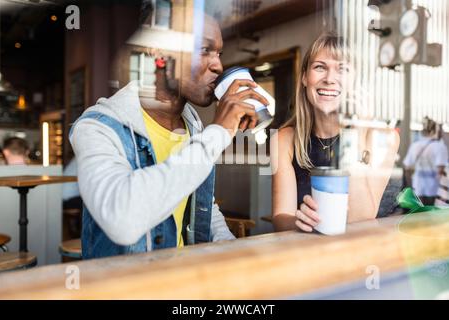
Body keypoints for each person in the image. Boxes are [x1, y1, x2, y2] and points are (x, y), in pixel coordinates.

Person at [70, 3, 267, 259]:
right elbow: (122, 219)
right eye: (204, 49)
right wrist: (218, 132)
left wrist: (233, 253)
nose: (218, 65)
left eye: (218, 52)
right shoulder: (97, 127)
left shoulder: (193, 127)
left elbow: (200, 205)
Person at [271, 33, 400, 232]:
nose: (330, 79)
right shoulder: (284, 140)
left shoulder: (384, 138)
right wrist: (300, 222)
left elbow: (360, 219)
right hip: (312, 253)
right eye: (320, 67)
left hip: (373, 254)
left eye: (343, 69)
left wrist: (356, 131)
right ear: (305, 77)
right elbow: (281, 219)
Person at [403, 117, 449, 206]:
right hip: (433, 190)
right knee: (431, 216)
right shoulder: (440, 147)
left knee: (419, 215)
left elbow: (407, 168)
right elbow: (440, 171)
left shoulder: (415, 146)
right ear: (436, 131)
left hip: (418, 187)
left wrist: (410, 186)